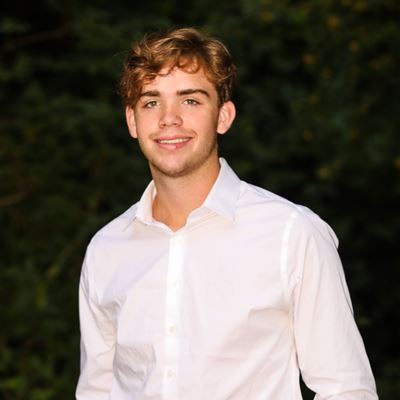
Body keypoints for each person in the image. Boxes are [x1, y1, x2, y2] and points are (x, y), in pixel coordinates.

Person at [76, 27, 378, 399]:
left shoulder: (292, 234)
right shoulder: (106, 249)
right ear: (132, 121)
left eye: (190, 100)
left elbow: (346, 389)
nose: (169, 118)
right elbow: (96, 390)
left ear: (223, 116)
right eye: (151, 102)